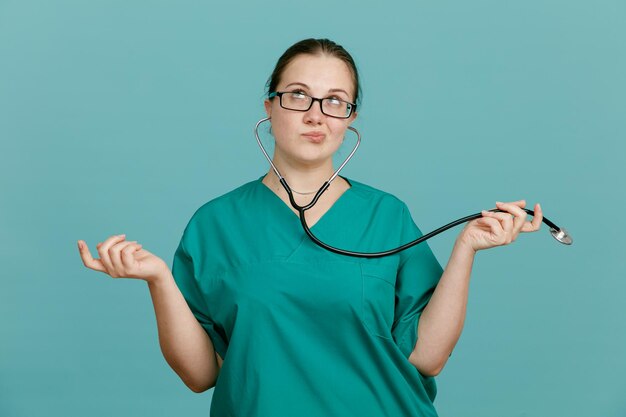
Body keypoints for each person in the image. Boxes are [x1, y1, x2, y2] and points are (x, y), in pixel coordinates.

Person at [77, 38, 544, 417]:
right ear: (270, 105)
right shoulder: (216, 223)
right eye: (299, 95)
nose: (316, 113)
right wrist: (159, 280)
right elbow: (202, 375)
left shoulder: (387, 215)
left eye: (335, 101)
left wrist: (466, 248)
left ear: (350, 119)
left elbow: (426, 357)